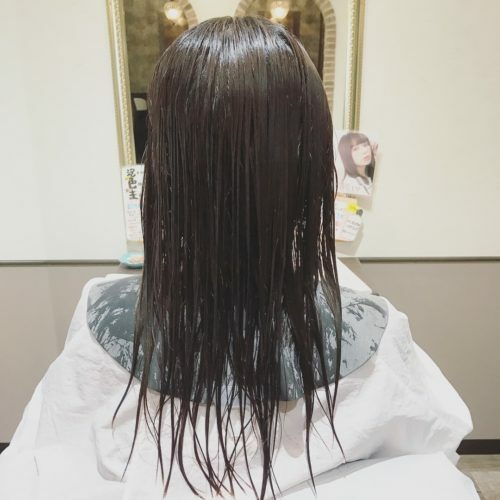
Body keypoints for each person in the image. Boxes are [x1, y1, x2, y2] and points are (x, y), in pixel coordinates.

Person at [0, 16, 474, 500]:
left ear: (165, 169)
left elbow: (44, 453)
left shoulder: (100, 316)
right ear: (310, 169)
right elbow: (435, 447)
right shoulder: (375, 334)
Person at [338, 131, 377, 197]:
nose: (364, 151)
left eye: (365, 145)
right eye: (355, 149)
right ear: (347, 155)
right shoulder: (351, 184)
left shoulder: (369, 175)